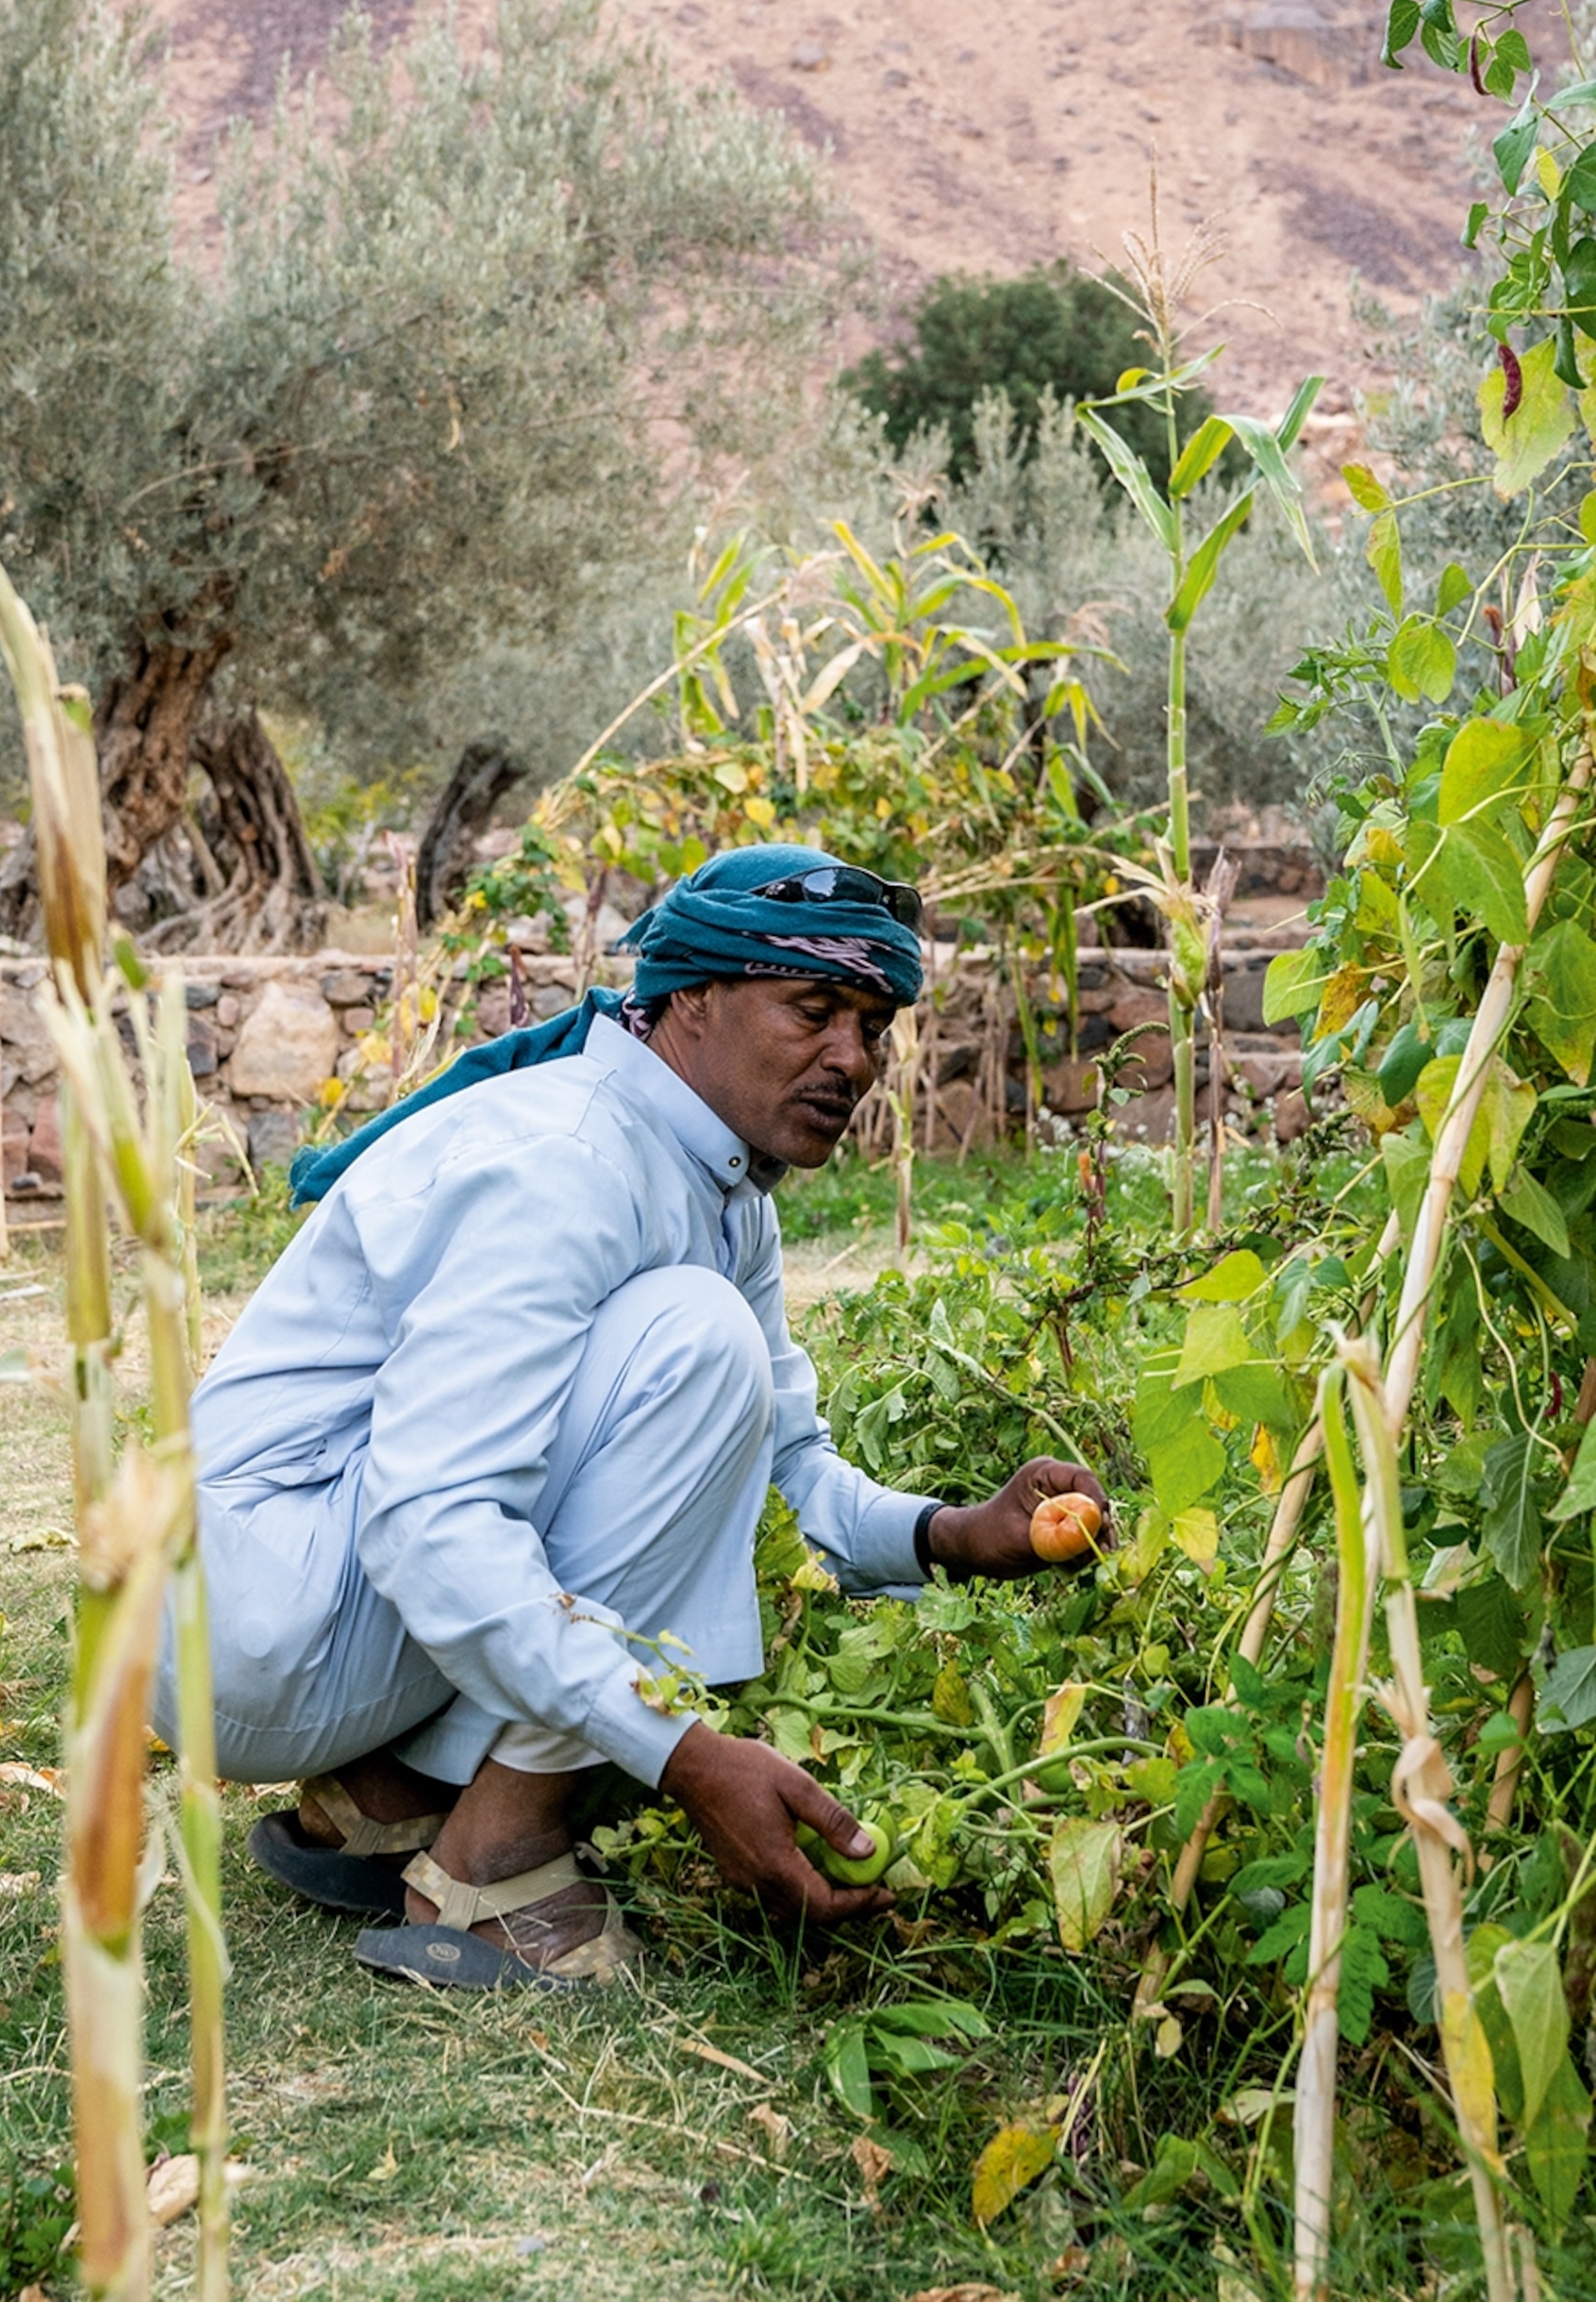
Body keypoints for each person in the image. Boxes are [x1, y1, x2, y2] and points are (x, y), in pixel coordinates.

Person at [161, 844, 1108, 1991]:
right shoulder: (570, 1162)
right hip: (253, 1623)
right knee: (698, 1345)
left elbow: (779, 1469)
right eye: (813, 1009)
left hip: (301, 1597)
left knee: (702, 1357)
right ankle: (491, 1871)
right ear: (693, 1000)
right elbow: (433, 1522)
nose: (851, 1058)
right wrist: (684, 1754)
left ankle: (381, 1800)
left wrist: (950, 1535)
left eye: (874, 1026)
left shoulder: (714, 1181)